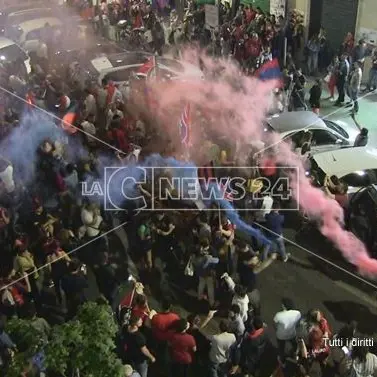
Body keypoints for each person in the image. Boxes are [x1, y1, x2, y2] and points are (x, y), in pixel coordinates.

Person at [273, 297, 301, 365]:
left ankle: (282, 360)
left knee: (281, 348)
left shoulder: (278, 315)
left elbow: (275, 325)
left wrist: (277, 330)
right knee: (294, 344)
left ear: (284, 305)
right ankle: (295, 355)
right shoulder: (297, 313)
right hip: (292, 333)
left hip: (281, 335)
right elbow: (298, 323)